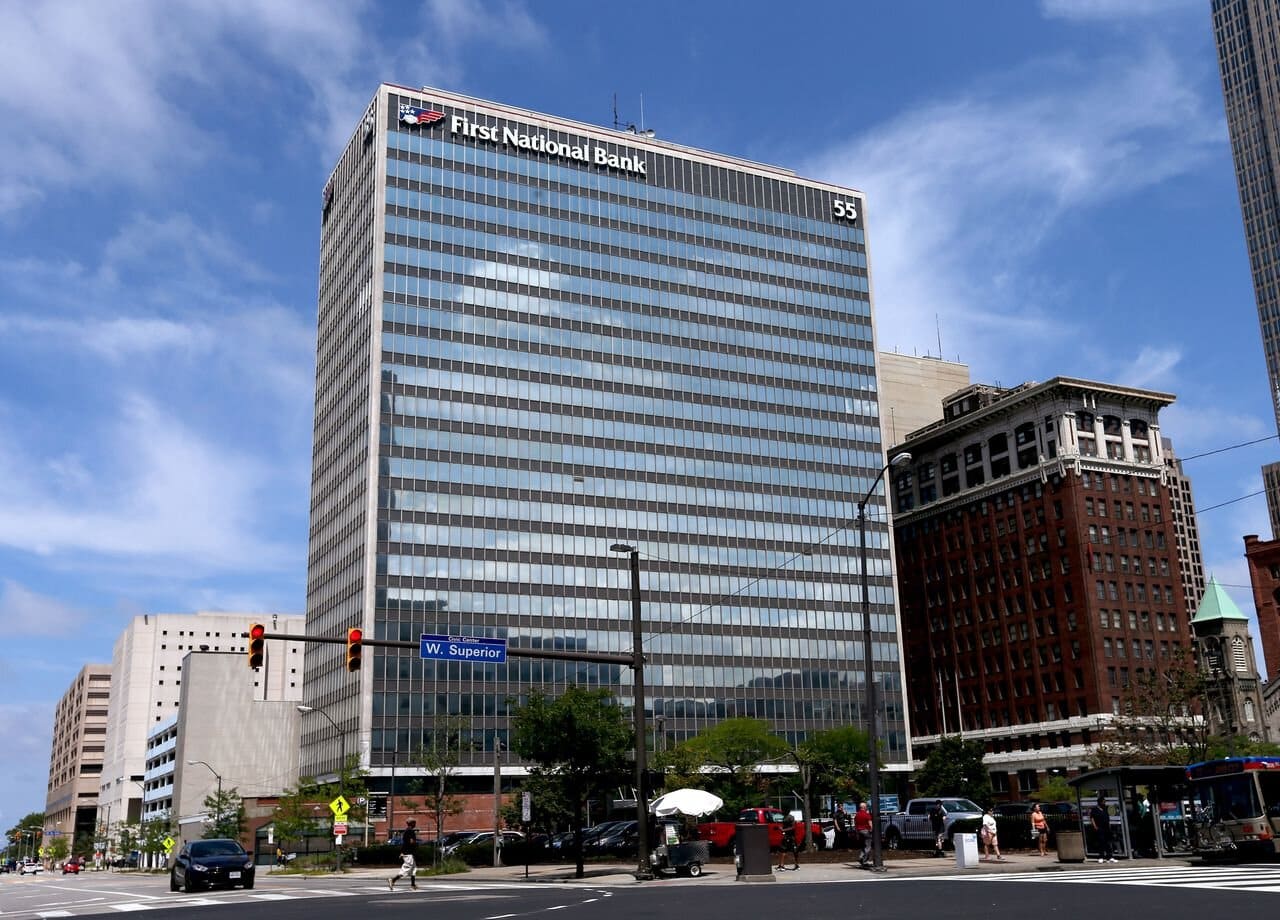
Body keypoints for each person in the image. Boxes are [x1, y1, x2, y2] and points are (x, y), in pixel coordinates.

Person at [388, 819, 419, 890]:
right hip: (409, 853)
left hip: (408, 853)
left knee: (413, 869)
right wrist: (415, 844)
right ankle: (393, 880)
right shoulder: (410, 831)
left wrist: (402, 852)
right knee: (406, 869)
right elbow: (411, 842)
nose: (415, 824)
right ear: (412, 823)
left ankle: (413, 885)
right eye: (414, 823)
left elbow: (405, 843)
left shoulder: (406, 831)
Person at [1090, 795, 1116, 863]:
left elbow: (1107, 818)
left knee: (1108, 842)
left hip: (1106, 828)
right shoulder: (1095, 809)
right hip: (1100, 827)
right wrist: (1095, 826)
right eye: (1103, 802)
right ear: (1100, 802)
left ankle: (1109, 857)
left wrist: (1109, 825)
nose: (1104, 803)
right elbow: (1092, 818)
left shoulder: (1105, 809)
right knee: (1101, 842)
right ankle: (1101, 856)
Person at [854, 801, 874, 867]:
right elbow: (870, 824)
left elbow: (855, 824)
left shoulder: (857, 815)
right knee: (868, 847)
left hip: (859, 831)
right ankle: (864, 860)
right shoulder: (867, 814)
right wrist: (871, 830)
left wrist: (856, 833)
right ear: (864, 807)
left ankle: (861, 857)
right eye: (866, 807)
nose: (866, 808)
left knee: (863, 846)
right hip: (866, 831)